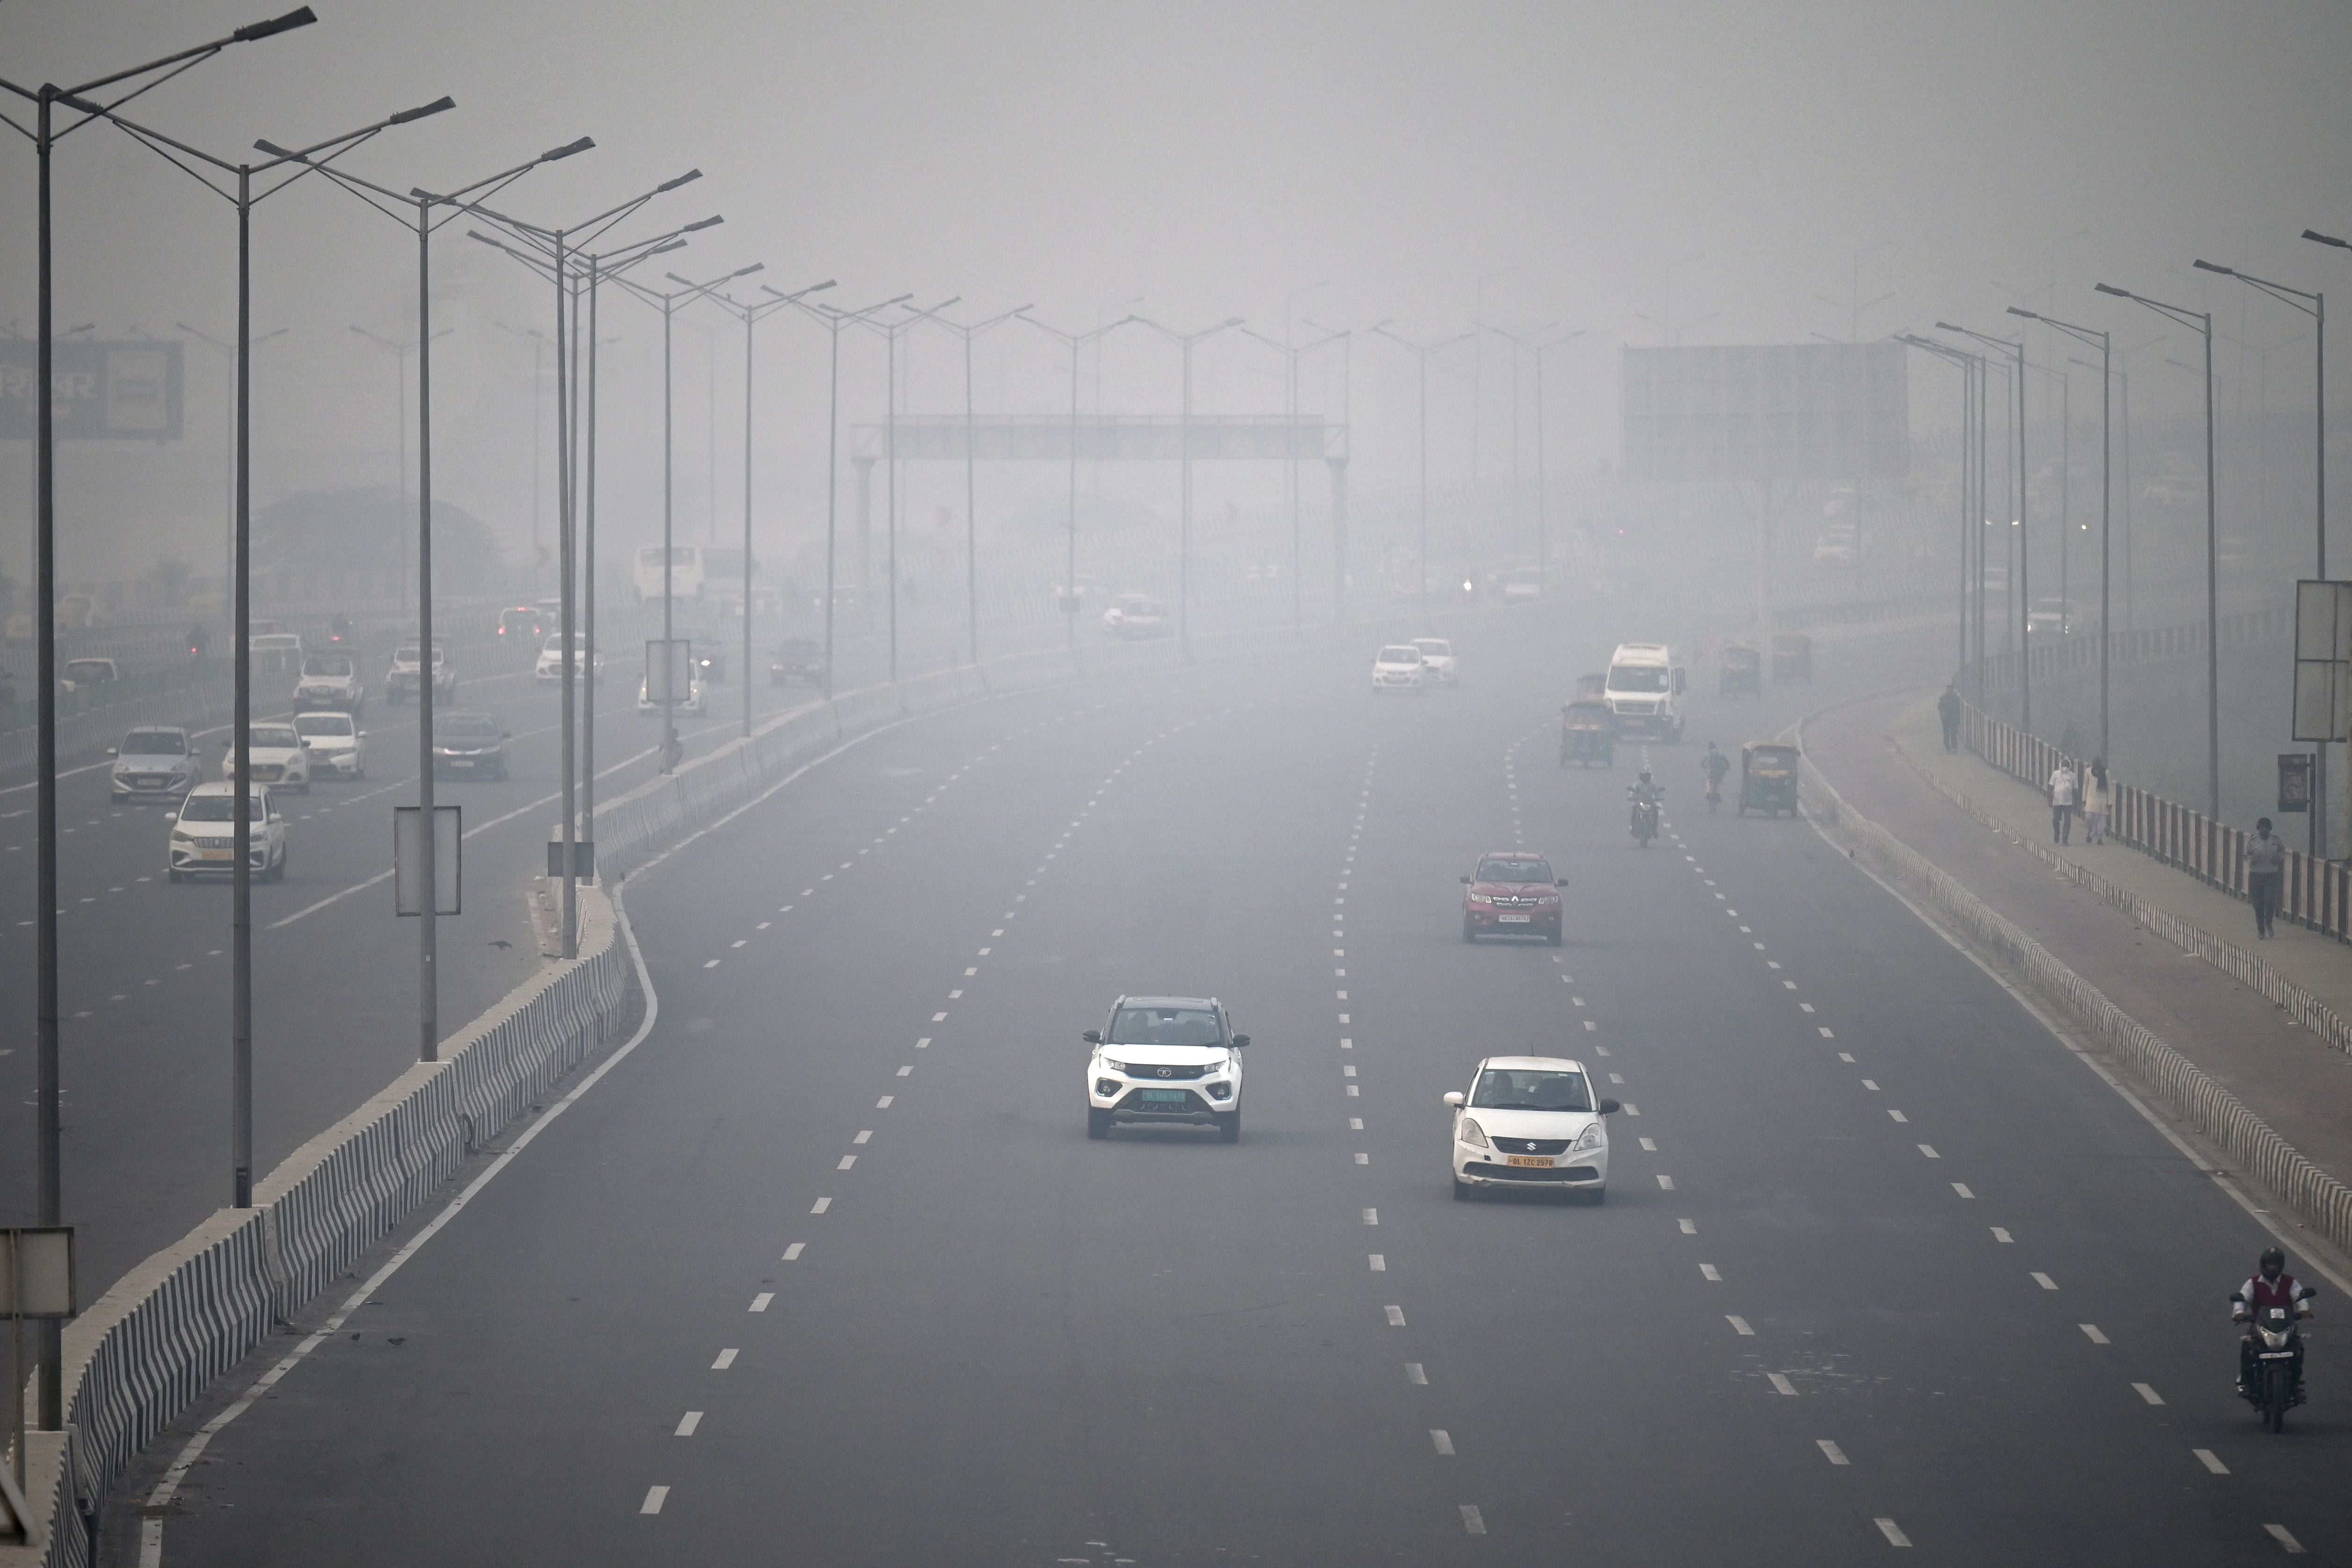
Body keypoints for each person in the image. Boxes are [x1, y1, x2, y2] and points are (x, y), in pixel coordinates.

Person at [2232, 1244, 2313, 1398]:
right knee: (2247, 1348)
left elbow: (2300, 1297)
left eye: (2275, 1264)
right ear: (2264, 1264)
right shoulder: (2253, 1283)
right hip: (2260, 1326)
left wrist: (2304, 1310)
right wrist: (2239, 1313)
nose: (2272, 1267)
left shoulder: (2290, 1282)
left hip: (2286, 1326)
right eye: (2269, 1264)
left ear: (2281, 1265)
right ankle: (2246, 1382)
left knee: (2298, 1349)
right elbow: (2242, 1299)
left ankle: (2295, 1384)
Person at [2247, 817, 2287, 939]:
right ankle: (2261, 930)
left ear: (2270, 829)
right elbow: (2246, 855)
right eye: (2262, 827)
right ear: (2259, 828)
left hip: (2271, 874)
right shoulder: (2253, 842)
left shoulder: (2276, 841)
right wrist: (2252, 860)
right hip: (2256, 875)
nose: (2264, 830)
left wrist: (2278, 859)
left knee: (2270, 900)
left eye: (2266, 828)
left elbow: (2282, 852)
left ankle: (2268, 922)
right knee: (2258, 905)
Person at [2047, 756, 2079, 845]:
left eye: (2067, 766)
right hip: (2057, 801)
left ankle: (2065, 839)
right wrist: (2050, 799)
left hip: (2068, 802)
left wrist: (2076, 803)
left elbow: (2076, 790)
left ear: (2070, 767)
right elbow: (2050, 786)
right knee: (2055, 820)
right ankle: (2057, 833)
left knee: (2067, 821)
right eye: (2064, 765)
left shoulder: (2073, 776)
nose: (2066, 767)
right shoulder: (2056, 774)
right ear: (2061, 766)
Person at [2081, 757, 2111, 845]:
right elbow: (2085, 786)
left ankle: (2099, 838)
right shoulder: (2088, 772)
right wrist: (2084, 799)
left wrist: (2110, 802)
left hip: (2102, 799)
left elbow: (2110, 788)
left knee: (2101, 821)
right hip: (2091, 798)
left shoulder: (2106, 773)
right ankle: (2092, 832)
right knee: (2089, 817)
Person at [1701, 742, 1730, 806]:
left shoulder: (1708, 753)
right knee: (1719, 782)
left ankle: (1709, 792)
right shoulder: (1720, 753)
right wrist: (1728, 767)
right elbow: (1726, 761)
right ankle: (1717, 793)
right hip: (1720, 772)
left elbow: (1702, 763)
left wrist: (1704, 766)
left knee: (1709, 781)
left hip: (1711, 772)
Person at [1937, 684, 1963, 751]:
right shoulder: (1942, 698)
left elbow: (1959, 709)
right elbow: (1940, 707)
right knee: (1947, 734)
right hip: (1946, 719)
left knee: (1954, 733)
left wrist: (1959, 719)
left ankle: (1954, 747)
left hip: (1954, 718)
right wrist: (1943, 714)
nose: (1950, 691)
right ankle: (1948, 747)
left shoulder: (1956, 698)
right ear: (1947, 690)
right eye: (1949, 689)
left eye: (1951, 690)